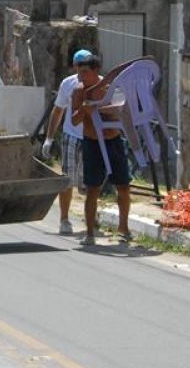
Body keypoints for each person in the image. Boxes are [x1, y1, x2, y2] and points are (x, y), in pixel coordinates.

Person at [71, 52, 132, 246]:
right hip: (92, 143)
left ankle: (124, 228)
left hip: (113, 141)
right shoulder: (79, 91)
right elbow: (74, 120)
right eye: (79, 73)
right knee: (92, 190)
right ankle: (90, 232)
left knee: (122, 186)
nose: (81, 77)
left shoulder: (110, 88)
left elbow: (123, 110)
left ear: (96, 71)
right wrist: (83, 110)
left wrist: (104, 109)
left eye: (85, 72)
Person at [42, 49, 94, 236]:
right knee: (67, 179)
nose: (82, 71)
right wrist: (49, 138)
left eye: (86, 66)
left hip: (92, 138)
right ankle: (64, 219)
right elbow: (58, 111)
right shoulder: (68, 84)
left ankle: (91, 217)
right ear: (75, 67)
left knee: (90, 182)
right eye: (79, 67)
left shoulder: (99, 83)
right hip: (72, 137)